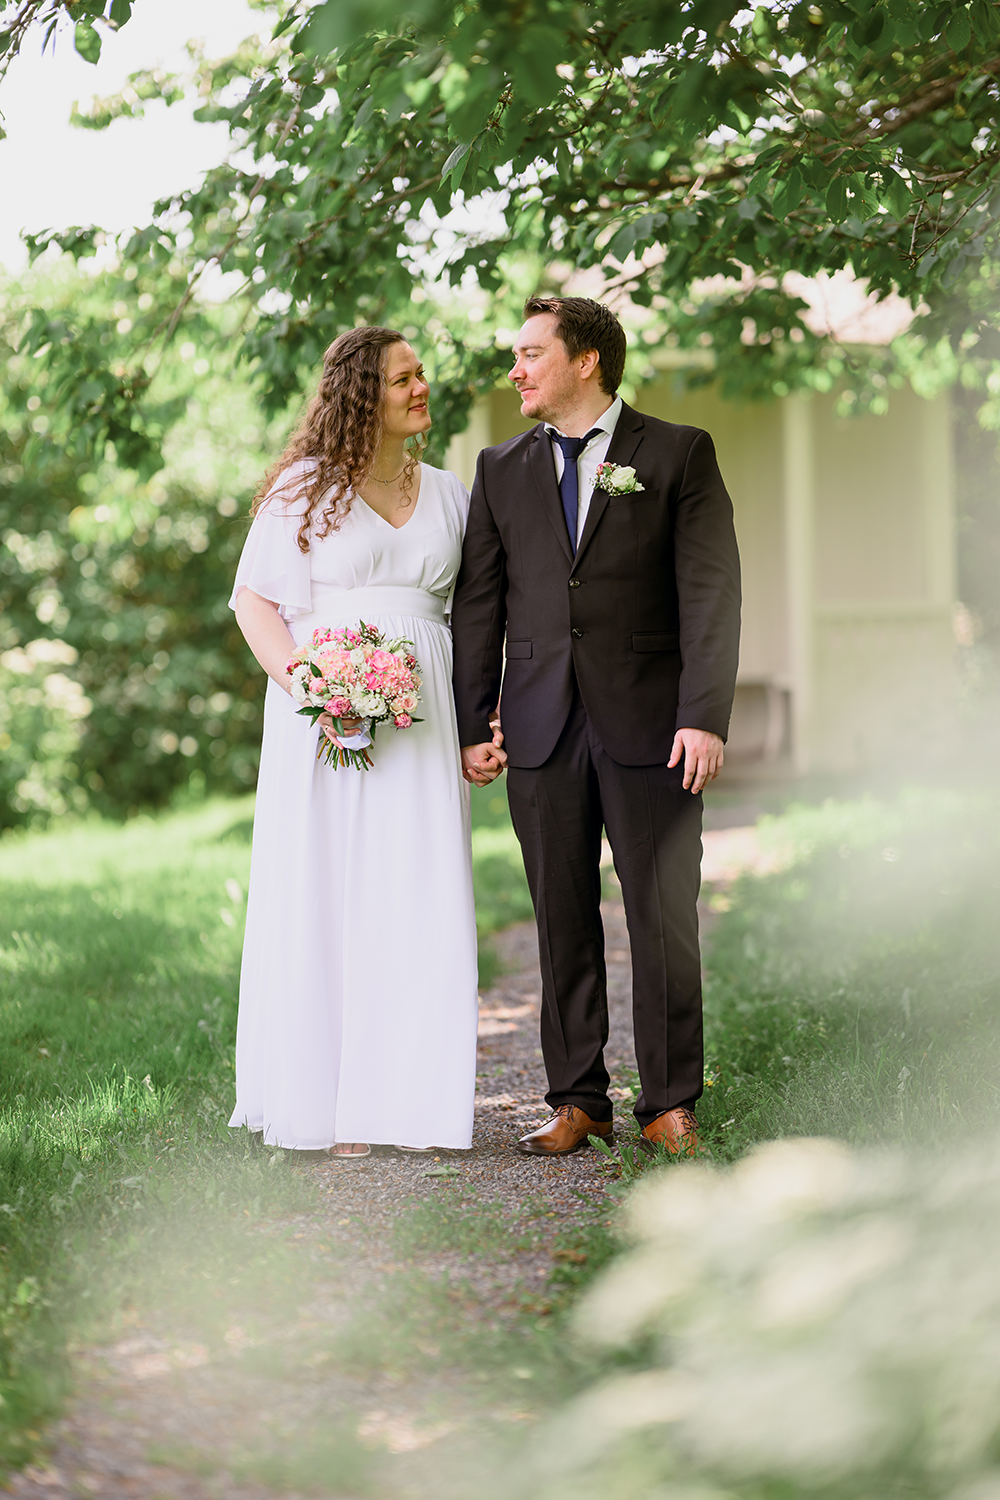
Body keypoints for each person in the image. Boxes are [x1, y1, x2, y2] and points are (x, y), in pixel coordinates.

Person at [452, 296, 741, 1158]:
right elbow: (481, 603)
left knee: (663, 915)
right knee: (560, 917)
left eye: (530, 354)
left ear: (586, 361)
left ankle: (668, 1103)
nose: (515, 370)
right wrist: (472, 721)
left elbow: (711, 592)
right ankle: (579, 1100)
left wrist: (703, 717)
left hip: (653, 725)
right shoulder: (500, 468)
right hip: (539, 726)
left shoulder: (678, 451)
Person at [229, 327, 494, 1158]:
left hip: (427, 713)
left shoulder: (449, 493)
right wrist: (313, 689)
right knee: (332, 892)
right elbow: (254, 603)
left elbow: (476, 616)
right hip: (326, 718)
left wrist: (479, 723)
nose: (421, 387)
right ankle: (330, 1106)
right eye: (402, 378)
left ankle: (412, 1106)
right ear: (360, 395)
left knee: (417, 893)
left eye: (421, 374)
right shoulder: (304, 490)